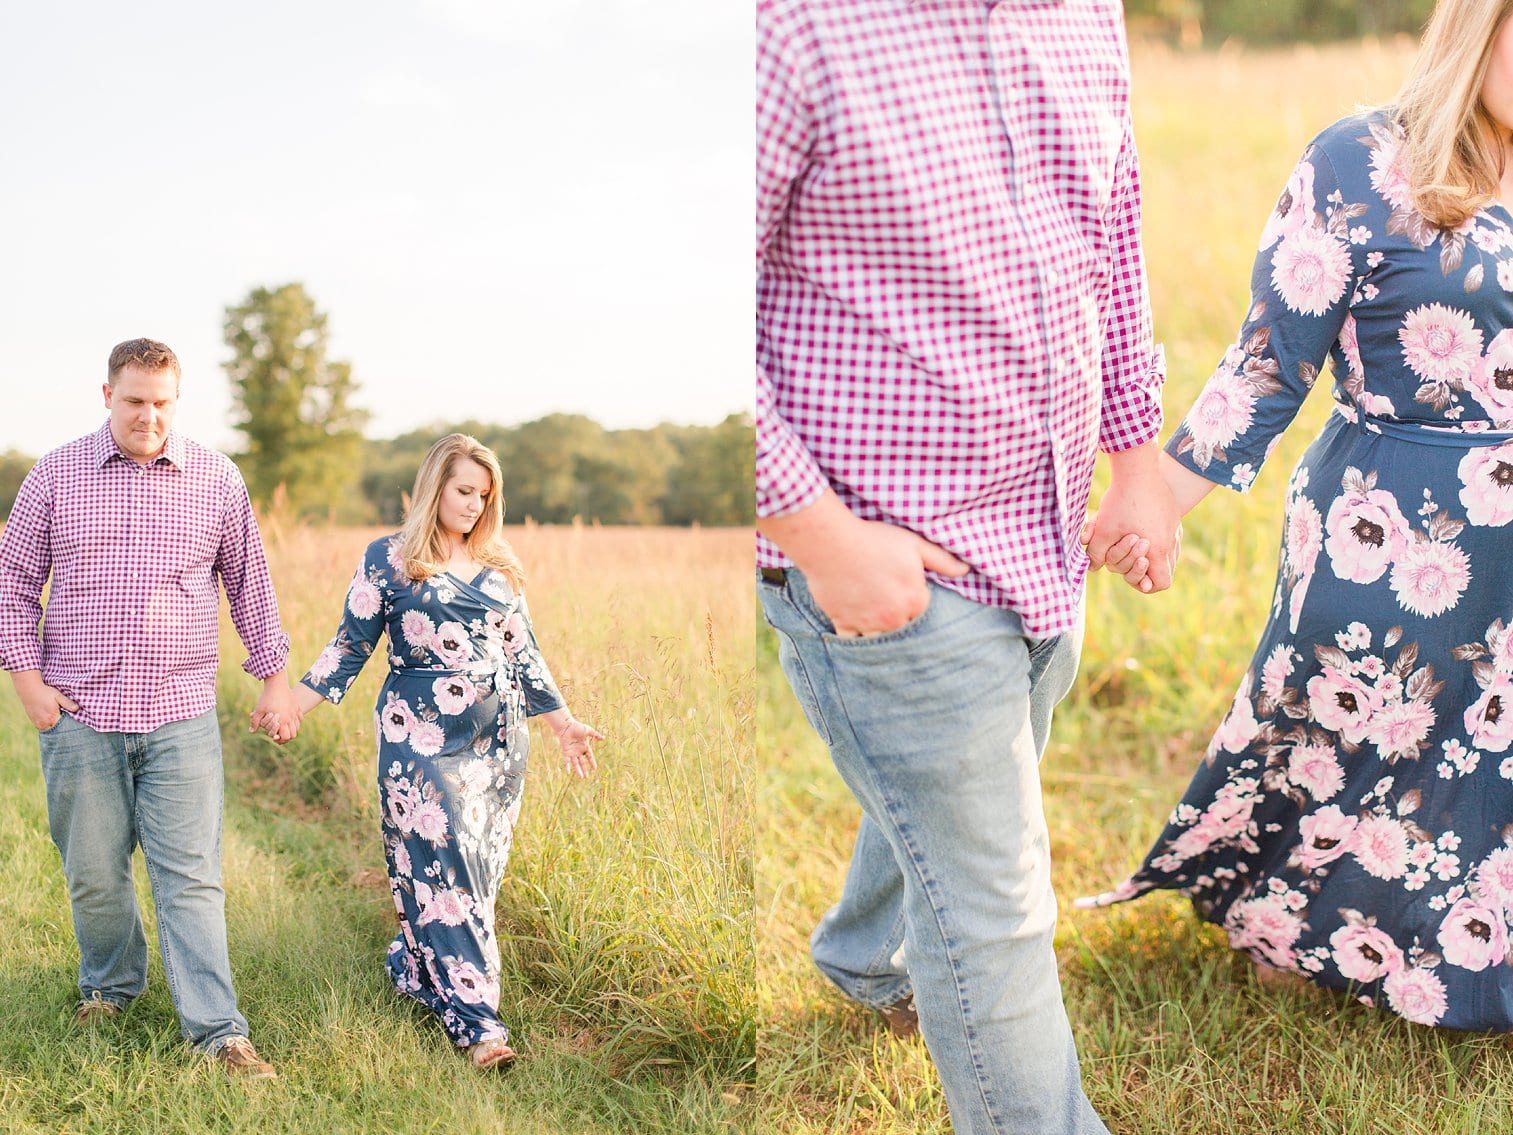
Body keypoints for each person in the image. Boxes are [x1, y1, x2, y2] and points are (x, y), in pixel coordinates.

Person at [756, 3, 1179, 1131]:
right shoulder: (791, 28)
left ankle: (859, 952)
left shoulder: (1082, 13)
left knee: (965, 797)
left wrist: (1135, 457)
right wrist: (822, 537)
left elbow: (1114, 231)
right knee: (995, 912)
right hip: (891, 576)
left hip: (1046, 543)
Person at [1079, 0, 1513, 1032]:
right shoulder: (1360, 161)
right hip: (1391, 530)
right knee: (1352, 741)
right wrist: (1159, 494)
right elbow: (1270, 361)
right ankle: (1302, 919)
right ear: (1477, 25)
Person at [0, 338, 298, 1078]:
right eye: (134, 400)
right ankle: (108, 985)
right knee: (95, 874)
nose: (148, 416)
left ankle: (219, 1032)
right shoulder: (56, 475)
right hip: (80, 712)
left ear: (177, 399)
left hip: (180, 712)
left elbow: (249, 584)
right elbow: (12, 584)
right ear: (107, 395)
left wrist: (274, 678)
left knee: (190, 876)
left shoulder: (216, 480)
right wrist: (27, 681)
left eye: (162, 402)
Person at [278, 433, 602, 1070]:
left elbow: (523, 651)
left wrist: (563, 723)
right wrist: (294, 702)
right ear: (434, 487)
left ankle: (417, 967)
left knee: (474, 874)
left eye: (484, 496)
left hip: (499, 740)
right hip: (417, 734)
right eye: (463, 491)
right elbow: (349, 645)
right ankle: (480, 1028)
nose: (474, 505)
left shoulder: (500, 568)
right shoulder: (389, 559)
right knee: (445, 859)